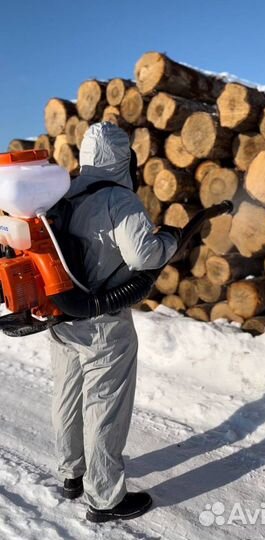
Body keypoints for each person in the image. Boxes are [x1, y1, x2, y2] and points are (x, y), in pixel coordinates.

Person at [49, 122, 180, 523]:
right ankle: (105, 498)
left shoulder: (65, 192)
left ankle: (71, 474)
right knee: (104, 404)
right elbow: (144, 257)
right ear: (124, 157)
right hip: (104, 322)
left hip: (63, 315)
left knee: (67, 394)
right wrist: (171, 239)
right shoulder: (119, 200)